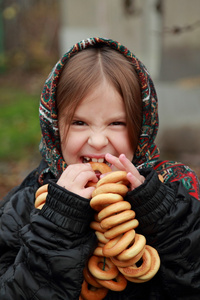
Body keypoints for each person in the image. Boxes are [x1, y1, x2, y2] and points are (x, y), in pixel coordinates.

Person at [0, 37, 200, 300]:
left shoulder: (175, 194)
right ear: (54, 126)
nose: (97, 141)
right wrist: (57, 222)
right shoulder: (27, 202)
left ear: (142, 128)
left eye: (116, 123)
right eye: (79, 122)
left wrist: (158, 212)